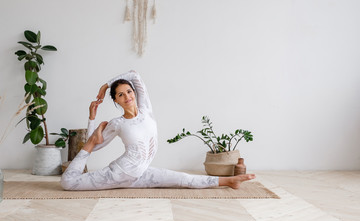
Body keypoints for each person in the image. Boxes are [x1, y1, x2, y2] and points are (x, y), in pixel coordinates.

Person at [61, 70, 256, 190]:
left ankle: (230, 181)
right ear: (116, 101)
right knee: (68, 183)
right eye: (120, 94)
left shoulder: (146, 109)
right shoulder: (117, 123)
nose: (126, 96)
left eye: (128, 91)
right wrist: (92, 119)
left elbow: (134, 75)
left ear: (134, 93)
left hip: (140, 174)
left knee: (183, 179)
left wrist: (107, 84)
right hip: (119, 174)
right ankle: (228, 181)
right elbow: (94, 146)